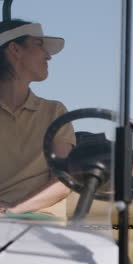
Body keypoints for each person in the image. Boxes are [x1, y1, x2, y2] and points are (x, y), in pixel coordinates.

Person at [0, 19, 75, 217]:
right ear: (15, 49)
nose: (49, 56)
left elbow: (64, 180)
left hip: (39, 221)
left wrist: (12, 212)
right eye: (40, 45)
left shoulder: (55, 112)